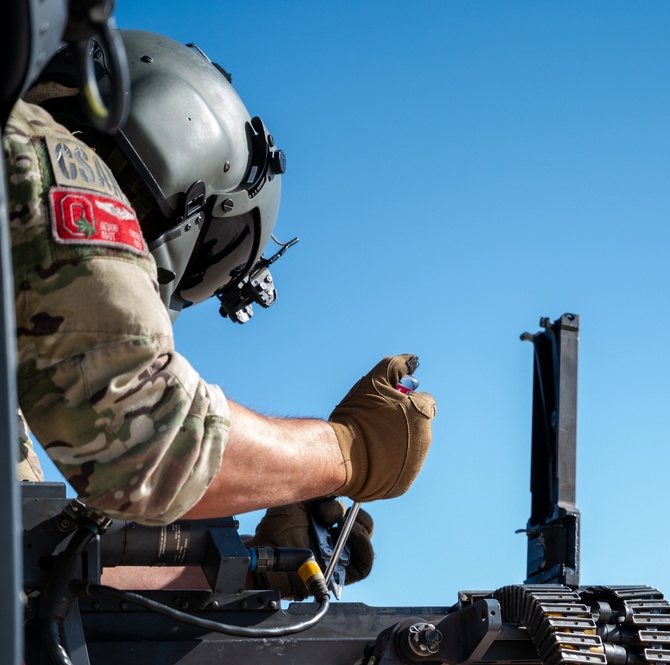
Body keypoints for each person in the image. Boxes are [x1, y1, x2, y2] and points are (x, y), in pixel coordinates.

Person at [5, 29, 435, 551]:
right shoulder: (41, 159)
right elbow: (149, 443)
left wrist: (252, 566)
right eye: (213, 258)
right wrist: (350, 453)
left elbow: (34, 566)